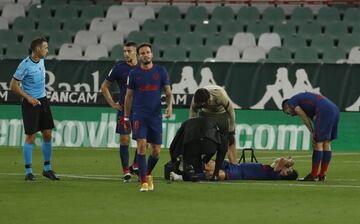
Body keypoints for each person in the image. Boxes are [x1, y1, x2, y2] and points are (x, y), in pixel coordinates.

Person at [123, 43, 173, 192]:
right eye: (143, 53)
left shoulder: (161, 71)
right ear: (138, 56)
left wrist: (170, 106)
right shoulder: (134, 74)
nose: (146, 55)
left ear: (152, 54)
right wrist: (126, 117)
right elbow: (128, 96)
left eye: (148, 52)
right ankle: (143, 181)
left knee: (156, 151)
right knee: (142, 145)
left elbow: (168, 92)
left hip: (155, 116)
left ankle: (148, 174)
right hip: (139, 115)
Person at [9, 37, 59, 181]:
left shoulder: (41, 60)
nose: (47, 50)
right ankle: (28, 171)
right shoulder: (24, 65)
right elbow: (13, 86)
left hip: (43, 101)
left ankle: (47, 169)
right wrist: (28, 97)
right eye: (45, 48)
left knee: (48, 134)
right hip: (30, 103)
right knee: (30, 136)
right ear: (37, 49)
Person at [100, 41, 139, 182]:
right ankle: (126, 172)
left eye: (129, 51)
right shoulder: (118, 68)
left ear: (136, 52)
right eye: (124, 51)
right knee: (124, 140)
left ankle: (135, 165)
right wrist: (112, 103)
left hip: (141, 110)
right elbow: (104, 87)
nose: (126, 54)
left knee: (143, 141)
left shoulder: (143, 67)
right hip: (125, 110)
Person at [282, 92, 339, 181]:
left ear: (287, 107)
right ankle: (322, 174)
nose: (291, 115)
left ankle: (313, 175)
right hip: (334, 109)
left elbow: (303, 116)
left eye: (288, 113)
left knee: (318, 143)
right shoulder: (306, 105)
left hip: (324, 110)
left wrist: (313, 133)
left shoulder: (291, 102)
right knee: (326, 143)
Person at [189, 85, 237, 165]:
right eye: (201, 105)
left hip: (221, 113)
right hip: (206, 114)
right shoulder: (196, 98)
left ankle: (234, 163)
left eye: (204, 104)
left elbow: (231, 112)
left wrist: (231, 131)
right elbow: (193, 113)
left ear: (209, 99)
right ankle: (200, 162)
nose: (202, 105)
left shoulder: (219, 95)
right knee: (202, 138)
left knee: (229, 140)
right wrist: (192, 128)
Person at [169, 117, 228, 181]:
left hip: (191, 145)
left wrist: (173, 162)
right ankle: (215, 175)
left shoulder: (186, 123)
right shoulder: (214, 124)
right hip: (208, 145)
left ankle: (191, 173)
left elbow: (173, 145)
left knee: (190, 167)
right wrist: (215, 171)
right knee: (198, 166)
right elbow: (223, 146)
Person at [170, 157, 298, 181]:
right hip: (236, 166)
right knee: (209, 163)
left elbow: (282, 160)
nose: (287, 168)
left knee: (216, 174)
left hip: (238, 173)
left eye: (289, 170)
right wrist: (289, 161)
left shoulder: (276, 175)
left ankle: (180, 177)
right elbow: (279, 161)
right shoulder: (275, 168)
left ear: (285, 175)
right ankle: (184, 163)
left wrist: (289, 162)